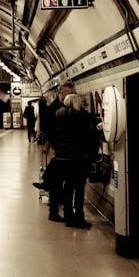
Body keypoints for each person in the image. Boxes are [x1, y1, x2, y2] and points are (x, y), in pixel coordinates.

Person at [41, 83, 102, 227]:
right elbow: (88, 133)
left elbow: (54, 132)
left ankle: (68, 216)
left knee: (67, 187)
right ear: (62, 93)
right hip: (75, 158)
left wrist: (60, 147)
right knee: (75, 188)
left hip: (61, 156)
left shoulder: (59, 114)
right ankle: (63, 214)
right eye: (71, 93)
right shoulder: (60, 112)